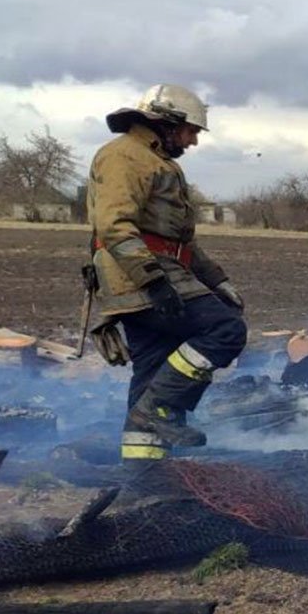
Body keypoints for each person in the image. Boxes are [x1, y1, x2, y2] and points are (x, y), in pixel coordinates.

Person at [87, 84, 247, 460]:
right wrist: (154, 282)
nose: (193, 142)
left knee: (153, 365)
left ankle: (143, 473)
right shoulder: (123, 156)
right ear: (168, 123)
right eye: (191, 131)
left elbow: (178, 241)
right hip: (139, 276)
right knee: (225, 329)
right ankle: (156, 409)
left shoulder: (158, 162)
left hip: (153, 273)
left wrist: (216, 279)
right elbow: (113, 227)